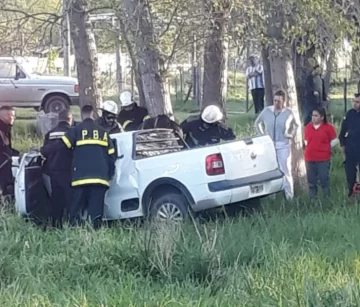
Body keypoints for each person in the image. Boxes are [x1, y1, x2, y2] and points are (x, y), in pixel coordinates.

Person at [61, 105, 116, 229]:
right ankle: (94, 234)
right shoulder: (103, 132)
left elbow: (63, 146)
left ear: (82, 115)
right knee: (96, 210)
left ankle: (74, 231)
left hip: (80, 177)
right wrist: (110, 173)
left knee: (75, 208)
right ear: (93, 114)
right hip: (99, 178)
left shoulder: (76, 130)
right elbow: (112, 155)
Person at [254, 90, 299, 200]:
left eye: (279, 101)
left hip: (283, 145)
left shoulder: (288, 112)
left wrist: (290, 134)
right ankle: (271, 196)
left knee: (285, 169)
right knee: (270, 169)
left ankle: (289, 195)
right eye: (275, 100)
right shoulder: (267, 111)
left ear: (283, 101)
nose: (276, 103)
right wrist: (262, 135)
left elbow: (296, 125)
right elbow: (257, 123)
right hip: (269, 145)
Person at [40, 110, 73, 228]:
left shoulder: (50, 133)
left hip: (53, 171)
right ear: (70, 119)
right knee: (70, 198)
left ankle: (55, 225)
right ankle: (70, 224)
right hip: (68, 170)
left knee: (56, 198)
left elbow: (44, 153)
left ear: (59, 119)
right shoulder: (72, 133)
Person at [304, 107, 338, 199]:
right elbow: (306, 141)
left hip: (323, 159)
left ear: (322, 117)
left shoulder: (328, 127)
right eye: (312, 115)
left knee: (324, 180)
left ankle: (326, 199)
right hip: (309, 158)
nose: (313, 118)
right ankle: (312, 200)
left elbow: (334, 140)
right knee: (311, 181)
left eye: (316, 115)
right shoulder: (308, 127)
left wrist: (326, 147)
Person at [339, 93, 360, 198]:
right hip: (350, 148)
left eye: (357, 102)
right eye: (354, 101)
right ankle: (352, 194)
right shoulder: (350, 114)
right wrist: (343, 145)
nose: (355, 104)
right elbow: (343, 131)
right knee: (350, 174)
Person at [0, 106, 19, 200]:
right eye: (13, 116)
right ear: (6, 116)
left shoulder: (6, 129)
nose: (14, 118)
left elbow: (8, 149)